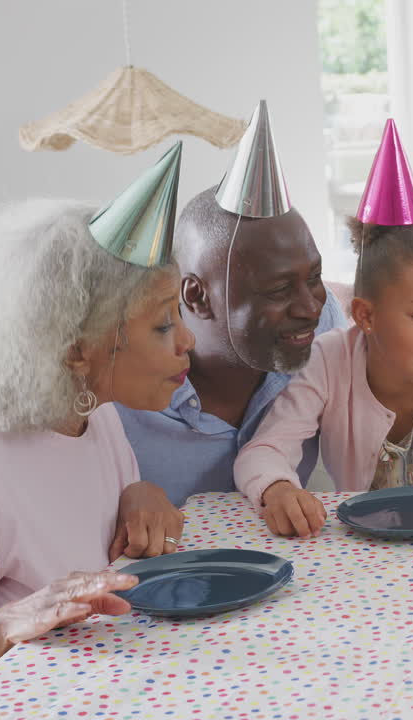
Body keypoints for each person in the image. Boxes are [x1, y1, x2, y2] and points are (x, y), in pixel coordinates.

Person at [0, 146, 193, 713]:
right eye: (165, 324)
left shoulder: (93, 411)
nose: (187, 342)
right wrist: (1, 628)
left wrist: (137, 491)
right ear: (77, 350)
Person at [234, 119, 413, 537]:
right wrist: (278, 487)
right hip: (360, 550)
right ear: (365, 316)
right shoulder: (328, 360)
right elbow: (263, 451)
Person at [117, 101, 346, 507]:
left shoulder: (324, 332)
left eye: (313, 278)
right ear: (196, 297)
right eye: (278, 290)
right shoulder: (123, 385)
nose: (309, 307)